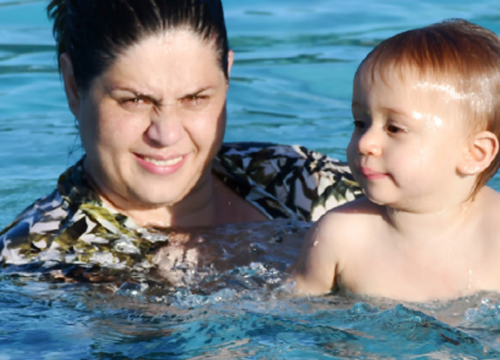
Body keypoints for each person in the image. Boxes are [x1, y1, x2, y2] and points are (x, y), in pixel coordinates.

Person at [0, 0, 361, 274]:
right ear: (73, 87)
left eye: (195, 98)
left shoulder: (301, 181)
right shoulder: (35, 264)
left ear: (228, 76)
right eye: (135, 100)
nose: (167, 134)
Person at [293, 19, 500, 302]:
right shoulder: (341, 236)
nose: (365, 143)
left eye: (394, 129)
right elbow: (290, 319)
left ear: (474, 153)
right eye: (360, 122)